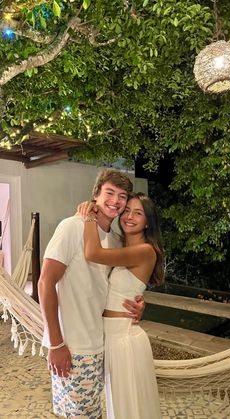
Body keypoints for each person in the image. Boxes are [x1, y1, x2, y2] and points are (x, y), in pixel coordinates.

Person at [38, 169, 145, 419]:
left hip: (99, 342)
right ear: (96, 194)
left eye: (122, 196)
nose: (115, 201)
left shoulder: (116, 240)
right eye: (109, 193)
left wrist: (139, 304)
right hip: (73, 345)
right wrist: (56, 344)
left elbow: (116, 286)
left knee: (90, 412)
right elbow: (45, 283)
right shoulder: (72, 227)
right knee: (78, 414)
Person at [80, 192, 165, 419]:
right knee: (119, 406)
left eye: (138, 213)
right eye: (126, 210)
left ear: (148, 222)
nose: (129, 216)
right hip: (111, 337)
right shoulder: (119, 245)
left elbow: (92, 253)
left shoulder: (145, 251)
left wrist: (89, 216)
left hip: (125, 340)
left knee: (130, 409)